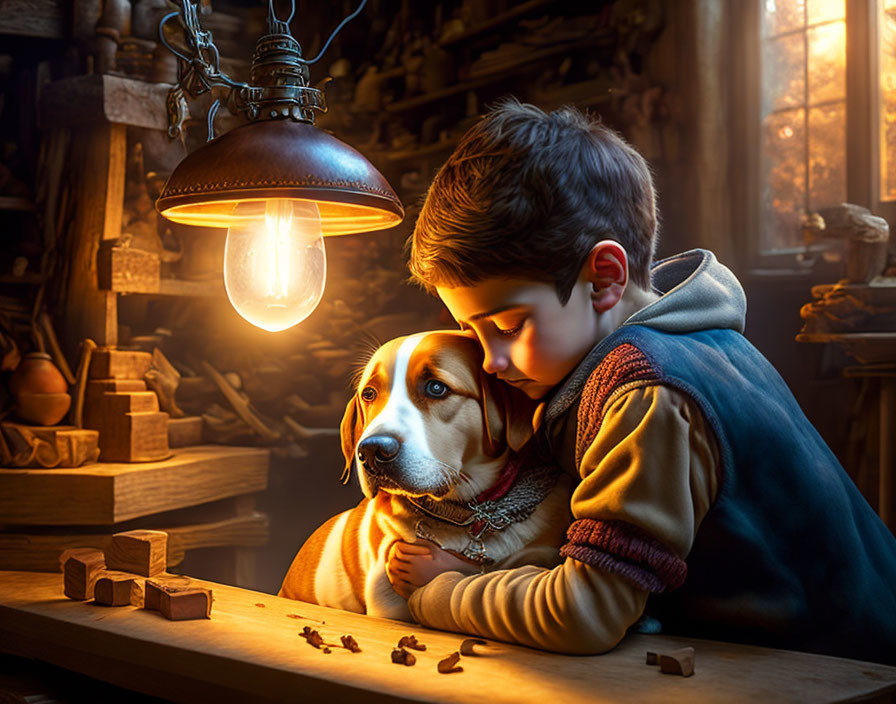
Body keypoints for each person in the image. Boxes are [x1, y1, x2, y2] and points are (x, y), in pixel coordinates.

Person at [385, 99, 896, 664]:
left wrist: (439, 594)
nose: (490, 361)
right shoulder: (700, 340)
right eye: (473, 333)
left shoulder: (647, 393)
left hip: (843, 675)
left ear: (604, 279)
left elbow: (582, 614)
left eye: (508, 326)